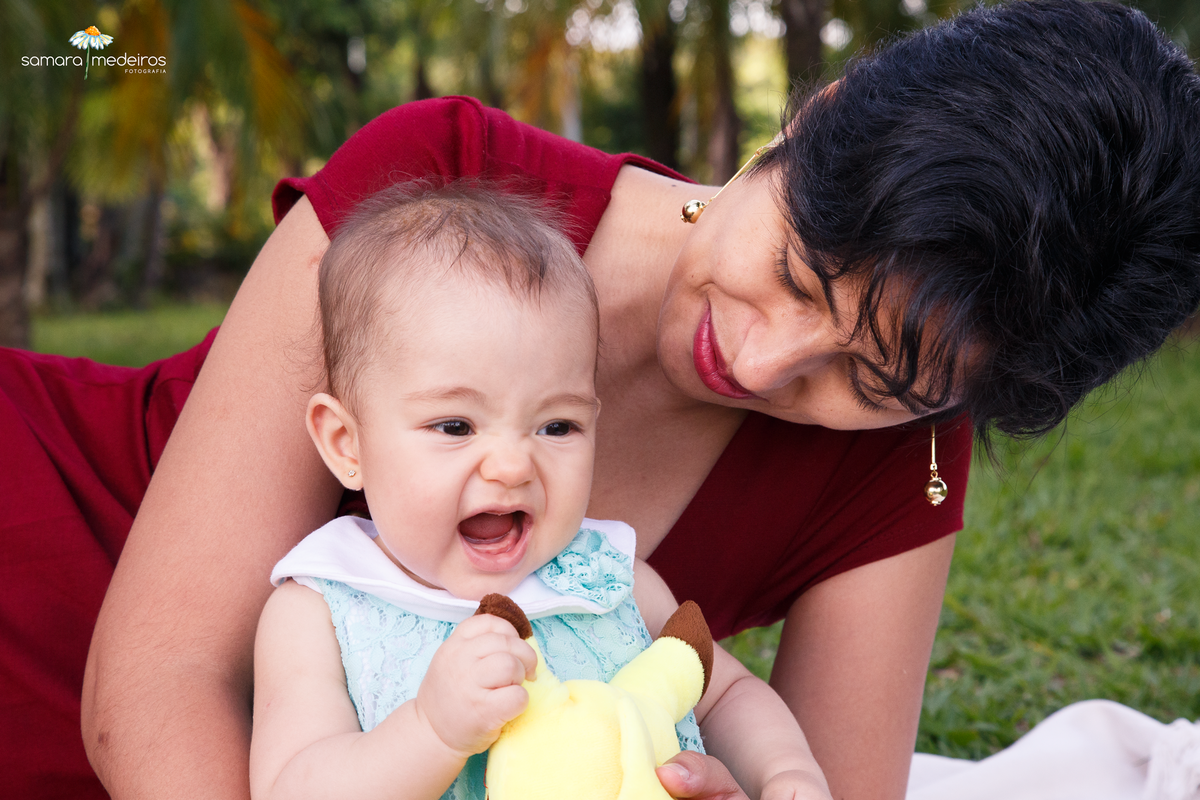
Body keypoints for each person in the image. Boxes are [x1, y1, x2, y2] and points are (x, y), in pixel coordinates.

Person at [0, 1, 1194, 798]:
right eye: (800, 271)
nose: (768, 361)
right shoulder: (445, 182)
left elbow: (807, 772)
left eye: (868, 378)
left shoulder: (900, 456)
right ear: (812, 122)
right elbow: (156, 688)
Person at [248, 181, 830, 800]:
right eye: (455, 425)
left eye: (557, 425)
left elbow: (725, 694)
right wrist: (430, 732)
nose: (510, 466)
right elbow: (293, 785)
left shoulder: (611, 582)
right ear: (346, 443)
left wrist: (784, 772)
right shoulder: (324, 610)